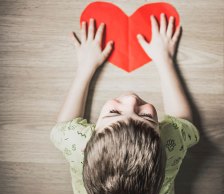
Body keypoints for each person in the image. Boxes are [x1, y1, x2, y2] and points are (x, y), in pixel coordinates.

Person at [50, 13, 200, 194]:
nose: (131, 100)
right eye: (145, 116)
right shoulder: (171, 143)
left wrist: (85, 67)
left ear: (86, 143)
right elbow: (184, 122)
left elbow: (63, 126)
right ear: (163, 142)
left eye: (113, 112)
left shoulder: (74, 141)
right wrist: (164, 60)